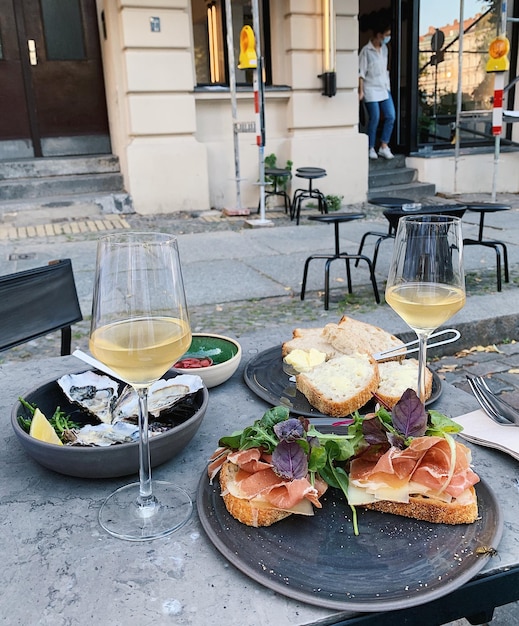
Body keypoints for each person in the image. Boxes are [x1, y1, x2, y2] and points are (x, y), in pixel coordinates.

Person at [358, 18, 396, 160]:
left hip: (383, 87)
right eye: (386, 34)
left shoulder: (385, 49)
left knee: (391, 115)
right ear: (379, 35)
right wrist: (361, 91)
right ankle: (371, 147)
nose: (388, 37)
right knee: (374, 117)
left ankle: (384, 146)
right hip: (370, 88)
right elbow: (360, 73)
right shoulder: (366, 51)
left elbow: (384, 69)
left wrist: (388, 87)